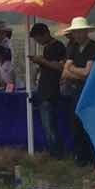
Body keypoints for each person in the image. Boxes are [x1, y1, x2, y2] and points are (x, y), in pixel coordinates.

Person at [60, 17, 95, 166]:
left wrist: (72, 69)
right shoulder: (73, 48)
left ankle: (94, 158)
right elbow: (65, 72)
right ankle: (81, 157)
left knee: (89, 124)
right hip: (76, 91)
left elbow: (87, 73)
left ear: (86, 32)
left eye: (79, 32)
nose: (77, 35)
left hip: (89, 92)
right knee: (76, 124)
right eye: (75, 32)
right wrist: (76, 71)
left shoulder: (94, 47)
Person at [28, 22, 67, 155]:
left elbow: (60, 67)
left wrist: (41, 61)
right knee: (48, 126)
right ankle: (53, 152)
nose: (38, 42)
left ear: (45, 34)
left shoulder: (58, 47)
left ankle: (57, 154)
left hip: (51, 91)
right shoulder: (47, 48)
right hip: (44, 90)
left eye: (38, 39)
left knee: (50, 126)